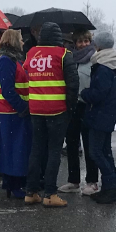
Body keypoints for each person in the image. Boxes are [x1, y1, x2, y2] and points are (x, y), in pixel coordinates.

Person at [24, 22, 79, 207]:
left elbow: (26, 74)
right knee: (54, 150)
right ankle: (50, 193)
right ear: (58, 37)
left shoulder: (31, 54)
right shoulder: (64, 54)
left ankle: (31, 191)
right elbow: (73, 84)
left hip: (36, 109)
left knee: (36, 149)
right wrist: (70, 107)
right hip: (57, 110)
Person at [82, 31, 116, 204]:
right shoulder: (113, 63)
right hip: (107, 114)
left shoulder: (103, 66)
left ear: (98, 45)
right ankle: (109, 187)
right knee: (105, 152)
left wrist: (85, 93)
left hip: (99, 115)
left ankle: (112, 187)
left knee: (96, 152)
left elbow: (99, 93)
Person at [0, 30, 31, 198]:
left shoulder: (11, 60)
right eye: (21, 40)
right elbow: (8, 90)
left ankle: (12, 183)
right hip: (11, 112)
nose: (23, 42)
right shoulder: (6, 61)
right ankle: (14, 184)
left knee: (12, 148)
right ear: (14, 41)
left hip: (12, 111)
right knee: (15, 149)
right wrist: (22, 107)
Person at [59, 31, 100, 195]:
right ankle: (73, 180)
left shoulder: (94, 60)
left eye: (86, 41)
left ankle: (92, 181)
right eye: (80, 41)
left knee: (90, 145)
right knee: (71, 143)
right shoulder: (69, 59)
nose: (83, 44)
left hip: (88, 105)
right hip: (72, 105)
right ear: (74, 43)